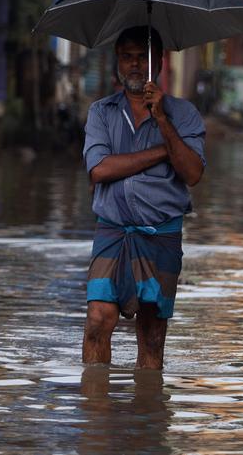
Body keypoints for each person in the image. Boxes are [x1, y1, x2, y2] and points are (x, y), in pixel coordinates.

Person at [81, 26, 206, 369]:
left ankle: (147, 416)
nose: (135, 65)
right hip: (113, 231)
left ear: (159, 62)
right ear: (118, 63)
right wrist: (162, 152)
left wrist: (162, 121)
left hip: (161, 234)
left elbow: (192, 173)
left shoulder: (184, 115)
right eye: (127, 57)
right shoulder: (101, 112)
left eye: (143, 57)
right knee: (97, 319)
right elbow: (100, 170)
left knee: (151, 333)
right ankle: (96, 412)